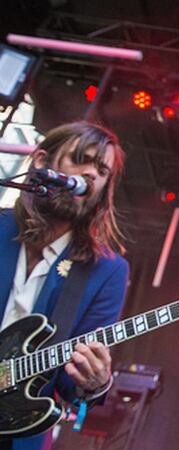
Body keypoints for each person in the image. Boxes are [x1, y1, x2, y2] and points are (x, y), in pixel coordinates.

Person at [0, 122, 129, 450]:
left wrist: (95, 384)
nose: (90, 174)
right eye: (80, 159)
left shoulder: (107, 271)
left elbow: (72, 390)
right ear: (42, 162)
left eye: (101, 171)